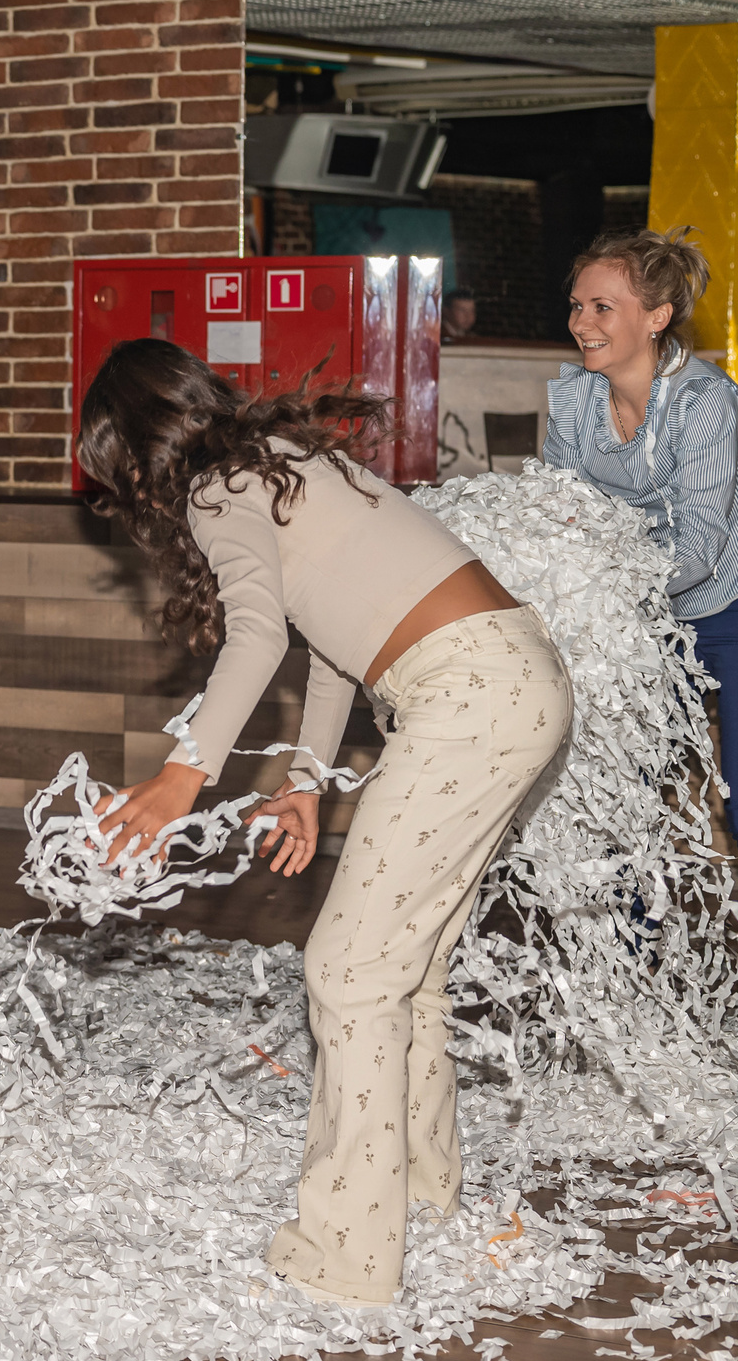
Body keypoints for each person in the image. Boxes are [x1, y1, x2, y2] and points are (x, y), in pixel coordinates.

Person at [78, 337, 572, 1308]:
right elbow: (338, 640)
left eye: (117, 472)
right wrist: (303, 780)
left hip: (466, 691)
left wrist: (184, 776)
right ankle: (424, 1194)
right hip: (513, 675)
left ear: (138, 449)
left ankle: (346, 1255)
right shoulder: (284, 461)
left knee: (345, 971)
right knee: (404, 966)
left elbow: (261, 633)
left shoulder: (218, 487)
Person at [540, 228, 738, 818]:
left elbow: (699, 548)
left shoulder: (706, 402)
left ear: (657, 316)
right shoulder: (575, 397)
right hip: (637, 619)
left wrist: (601, 588)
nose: (581, 323)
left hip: (722, 607)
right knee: (627, 786)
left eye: (603, 307)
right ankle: (638, 914)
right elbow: (556, 509)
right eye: (578, 305)